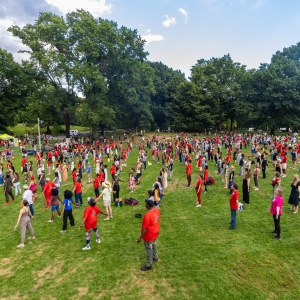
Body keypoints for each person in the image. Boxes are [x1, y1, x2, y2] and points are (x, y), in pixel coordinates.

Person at [136, 199, 160, 271]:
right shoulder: (156, 210)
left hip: (149, 235)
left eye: (146, 203)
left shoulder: (147, 215)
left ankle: (149, 265)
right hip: (156, 232)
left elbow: (144, 229)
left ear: (148, 206)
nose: (145, 204)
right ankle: (155, 256)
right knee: (154, 244)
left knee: (149, 249)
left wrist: (140, 238)